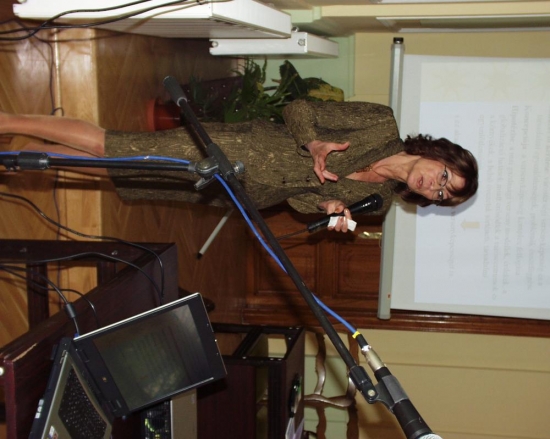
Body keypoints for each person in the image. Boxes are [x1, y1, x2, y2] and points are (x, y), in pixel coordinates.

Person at [0, 99, 478, 232]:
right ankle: (9, 122)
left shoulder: (378, 205)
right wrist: (313, 142)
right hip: (238, 147)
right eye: (443, 176)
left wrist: (326, 206)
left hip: (244, 191)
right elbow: (297, 108)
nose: (433, 186)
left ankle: (23, 156)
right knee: (118, 145)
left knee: (126, 170)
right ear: (439, 155)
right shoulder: (380, 124)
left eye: (442, 194)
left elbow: (299, 201)